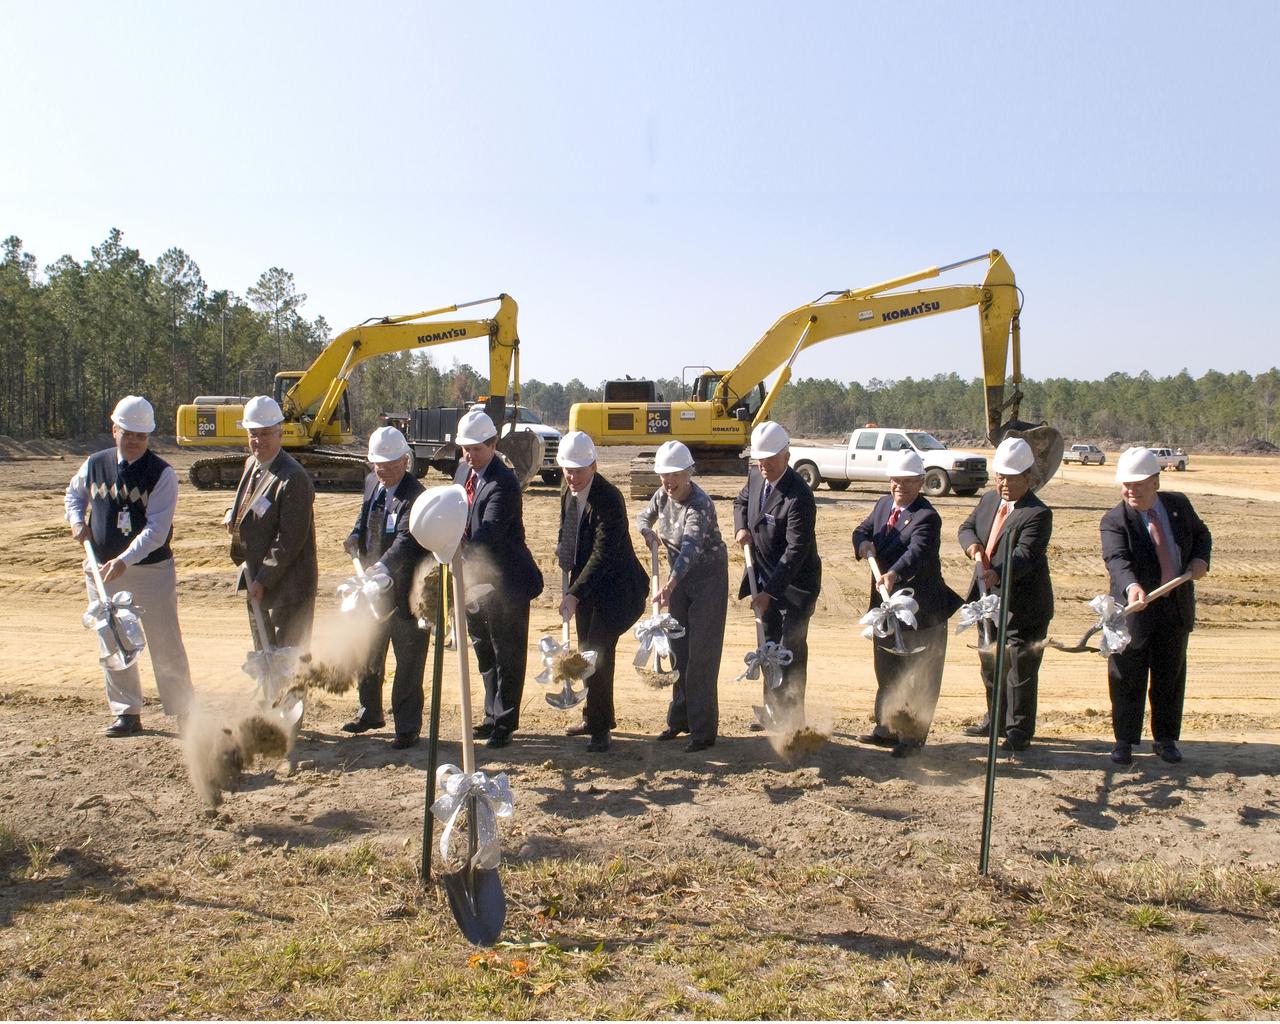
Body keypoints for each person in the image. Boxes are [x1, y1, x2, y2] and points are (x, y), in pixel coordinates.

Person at [65, 395, 195, 736]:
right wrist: (77, 521)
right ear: (114, 430)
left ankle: (183, 709)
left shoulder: (162, 474)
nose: (134, 440)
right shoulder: (95, 464)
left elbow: (157, 530)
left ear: (149, 436)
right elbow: (74, 495)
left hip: (150, 571)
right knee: (112, 639)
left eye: (141, 435)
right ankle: (126, 712)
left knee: (164, 640)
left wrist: (124, 560)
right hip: (101, 569)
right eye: (128, 433)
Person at [1101, 447, 1211, 765]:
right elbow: (1117, 560)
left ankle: (1165, 739)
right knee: (1126, 677)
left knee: (1169, 676)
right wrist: (1132, 587)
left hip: (1174, 609)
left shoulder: (1178, 506)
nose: (1130, 491)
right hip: (1134, 612)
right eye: (1126, 485)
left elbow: (1202, 534)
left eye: (1137, 485)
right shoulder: (1114, 519)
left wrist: (1201, 559)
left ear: (1155, 483)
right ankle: (1124, 741)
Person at [852, 450, 962, 757]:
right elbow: (862, 530)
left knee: (919, 677)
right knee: (887, 669)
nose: (900, 486)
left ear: (920, 482)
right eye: (896, 480)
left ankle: (912, 738)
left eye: (908, 482)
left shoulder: (927, 517)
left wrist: (893, 573)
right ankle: (887, 728)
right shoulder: (883, 504)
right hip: (885, 608)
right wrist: (863, 545)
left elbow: (917, 552)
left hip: (921, 609)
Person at [957, 436, 1053, 752]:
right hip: (988, 602)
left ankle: (1018, 731)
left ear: (1028, 477)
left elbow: (1025, 555)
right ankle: (994, 720)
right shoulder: (988, 501)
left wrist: (996, 571)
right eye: (1000, 476)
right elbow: (966, 528)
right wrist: (974, 548)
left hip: (1022, 606)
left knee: (1019, 670)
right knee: (991, 663)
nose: (1004, 484)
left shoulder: (1037, 514)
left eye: (1011, 478)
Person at [455, 408, 543, 749]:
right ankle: (491, 715)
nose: (469, 455)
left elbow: (489, 532)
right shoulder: (463, 471)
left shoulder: (503, 482)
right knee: (483, 651)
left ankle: (505, 722)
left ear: (492, 445)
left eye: (477, 449)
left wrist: (458, 557)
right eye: (465, 448)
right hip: (473, 581)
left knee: (507, 653)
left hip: (506, 583)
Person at [557, 430, 649, 753]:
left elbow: (603, 554)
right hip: (586, 591)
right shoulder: (568, 492)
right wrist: (563, 558)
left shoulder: (609, 499)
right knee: (586, 652)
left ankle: (599, 731)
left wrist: (574, 593)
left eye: (578, 470)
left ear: (594, 466)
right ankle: (596, 716)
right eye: (567, 469)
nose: (572, 476)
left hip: (617, 591)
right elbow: (567, 534)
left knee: (596, 654)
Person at [636, 440, 729, 753]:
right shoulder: (663, 495)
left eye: (675, 474)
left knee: (702, 656)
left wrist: (670, 585)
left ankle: (703, 732)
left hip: (707, 580)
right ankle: (680, 720)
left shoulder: (700, 505)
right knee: (679, 651)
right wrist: (646, 531)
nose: (668, 481)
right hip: (678, 582)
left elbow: (689, 548)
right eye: (664, 474)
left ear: (689, 472)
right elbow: (642, 516)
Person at [340, 427, 429, 749]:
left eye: (391, 465)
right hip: (370, 589)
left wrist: (381, 568)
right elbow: (365, 520)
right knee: (368, 652)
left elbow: (407, 541)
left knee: (408, 662)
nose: (384, 471)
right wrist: (354, 537)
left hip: (405, 594)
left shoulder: (416, 495)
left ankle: (407, 726)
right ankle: (370, 712)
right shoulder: (372, 485)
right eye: (378, 465)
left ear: (405, 461)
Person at [732, 420, 822, 732]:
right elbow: (741, 501)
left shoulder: (799, 496)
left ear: (787, 454)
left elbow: (796, 551)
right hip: (764, 579)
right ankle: (771, 712)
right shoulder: (756, 475)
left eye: (771, 458)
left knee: (790, 650)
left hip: (795, 586)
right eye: (760, 458)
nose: (764, 464)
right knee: (767, 646)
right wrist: (741, 527)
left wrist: (769, 593)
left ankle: (793, 721)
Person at [224, 396, 318, 652]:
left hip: (287, 587)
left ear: (280, 433)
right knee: (265, 656)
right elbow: (252, 503)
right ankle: (270, 693)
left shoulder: (293, 478)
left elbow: (289, 539)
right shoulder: (252, 465)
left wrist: (263, 580)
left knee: (289, 660)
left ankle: (292, 694)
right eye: (253, 434)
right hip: (258, 580)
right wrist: (232, 515)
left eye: (265, 434)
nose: (258, 440)